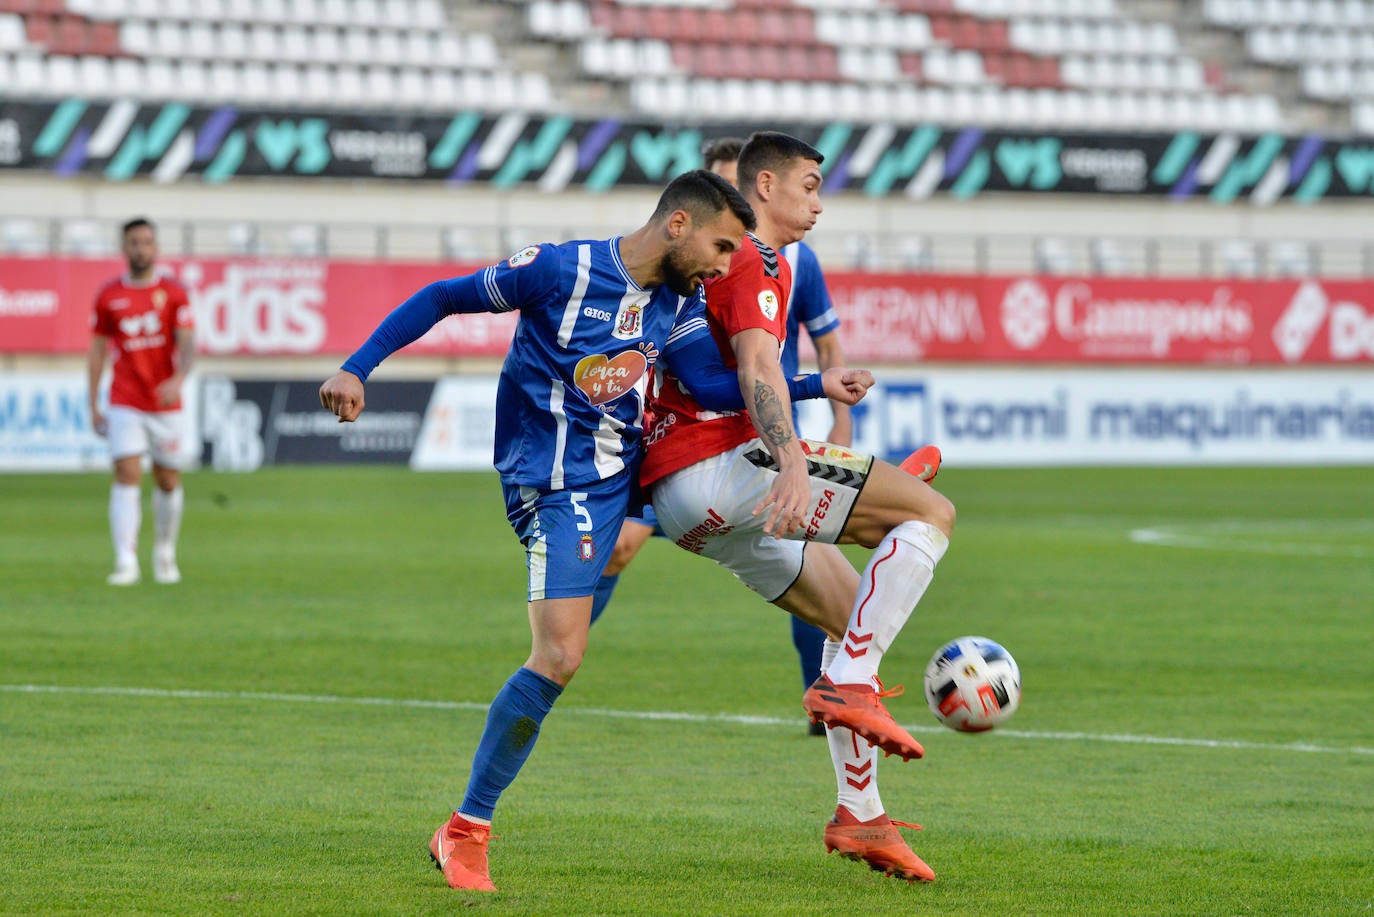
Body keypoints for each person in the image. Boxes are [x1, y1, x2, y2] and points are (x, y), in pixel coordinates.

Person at [321, 171, 787, 893]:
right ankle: (465, 829)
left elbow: (712, 387)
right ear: (677, 225)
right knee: (561, 655)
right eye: (721, 245)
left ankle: (845, 506)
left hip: (627, 474)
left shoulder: (678, 298)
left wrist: (818, 383)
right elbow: (445, 297)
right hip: (556, 481)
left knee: (712, 505)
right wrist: (357, 367)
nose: (726, 265)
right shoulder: (558, 270)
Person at [643, 132, 957, 883]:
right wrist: (793, 460)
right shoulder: (749, 258)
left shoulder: (751, 264)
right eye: (809, 185)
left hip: (688, 504)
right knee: (932, 515)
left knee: (856, 619)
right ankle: (845, 681)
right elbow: (755, 370)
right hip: (721, 464)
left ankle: (861, 816)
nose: (818, 201)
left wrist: (824, 438)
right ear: (766, 187)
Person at [589, 137, 878, 736]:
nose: (733, 230)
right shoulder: (701, 266)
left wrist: (836, 425)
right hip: (694, 443)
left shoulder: (798, 262)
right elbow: (716, 378)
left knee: (816, 554)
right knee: (620, 548)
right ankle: (559, 653)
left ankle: (824, 697)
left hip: (765, 432)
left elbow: (819, 347)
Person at [88, 217, 194, 586]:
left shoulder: (174, 293)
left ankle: (164, 552)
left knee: (167, 479)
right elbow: (98, 351)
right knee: (127, 473)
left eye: (147, 242)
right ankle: (125, 560)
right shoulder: (108, 296)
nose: (140, 248)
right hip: (125, 399)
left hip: (165, 403)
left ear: (156, 247)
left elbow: (188, 344)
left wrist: (178, 379)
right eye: (134, 242)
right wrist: (93, 403)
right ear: (124, 247)